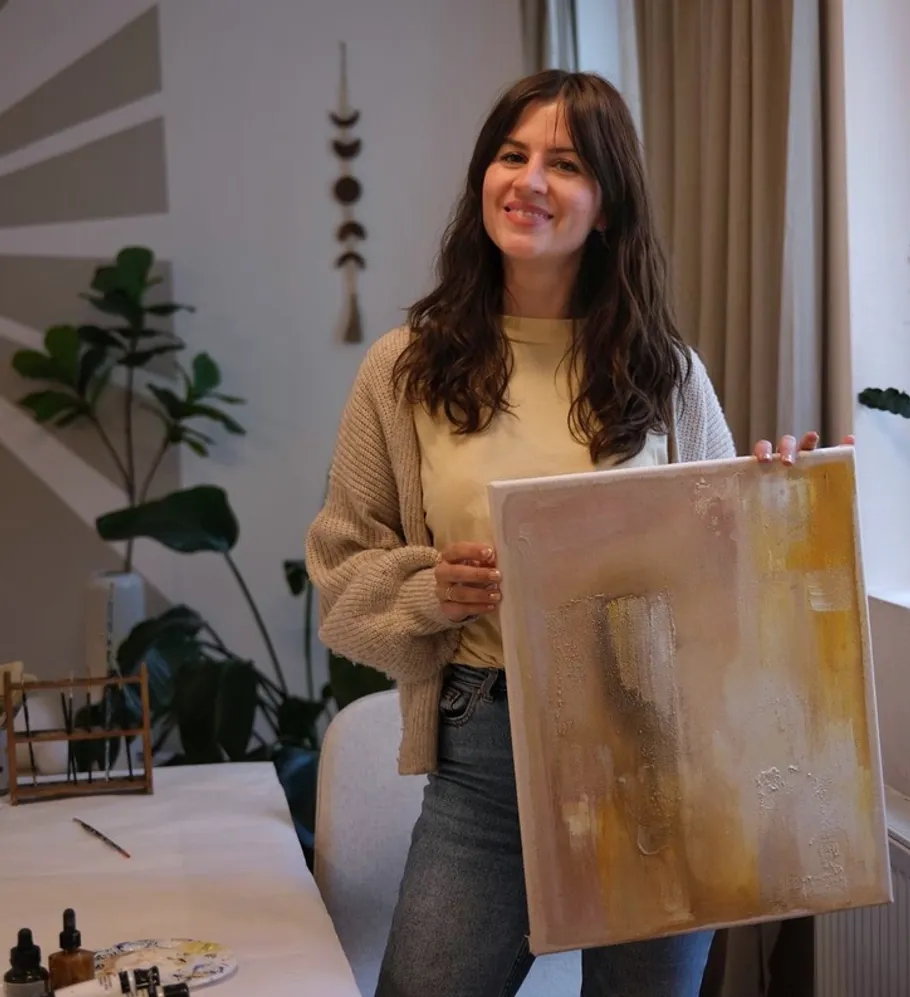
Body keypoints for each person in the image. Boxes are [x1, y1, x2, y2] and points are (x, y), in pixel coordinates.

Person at [305, 69, 840, 997]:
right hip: (483, 765)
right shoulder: (404, 370)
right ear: (483, 177)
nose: (530, 181)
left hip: (658, 763)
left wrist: (780, 494)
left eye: (565, 163)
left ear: (607, 204)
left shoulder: (666, 374)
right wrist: (435, 589)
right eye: (512, 155)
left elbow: (741, 589)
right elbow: (342, 581)